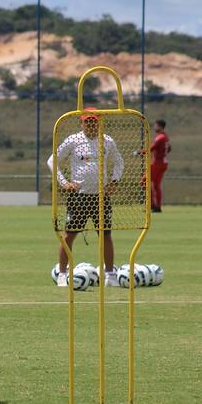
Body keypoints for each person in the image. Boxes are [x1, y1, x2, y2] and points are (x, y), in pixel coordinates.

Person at [47, 107, 124, 288]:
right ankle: (62, 274)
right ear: (81, 122)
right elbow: (52, 160)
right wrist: (64, 182)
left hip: (100, 196)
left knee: (105, 235)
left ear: (99, 122)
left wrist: (114, 181)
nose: (91, 124)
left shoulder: (107, 141)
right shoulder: (73, 140)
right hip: (78, 197)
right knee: (69, 236)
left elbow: (119, 161)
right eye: (87, 121)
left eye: (94, 121)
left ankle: (110, 274)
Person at [150, 119, 171, 212]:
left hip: (157, 163)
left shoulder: (160, 137)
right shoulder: (165, 136)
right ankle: (157, 207)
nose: (155, 127)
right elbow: (169, 148)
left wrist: (139, 152)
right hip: (164, 162)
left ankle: (152, 205)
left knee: (144, 182)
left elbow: (151, 148)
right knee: (156, 185)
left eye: (156, 125)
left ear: (160, 126)